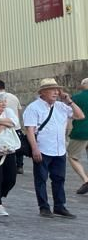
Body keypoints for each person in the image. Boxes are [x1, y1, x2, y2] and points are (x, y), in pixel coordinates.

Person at [23, 78, 85, 218]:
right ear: (43, 92)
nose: (56, 92)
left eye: (57, 90)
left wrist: (68, 101)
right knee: (41, 179)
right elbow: (30, 130)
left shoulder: (61, 106)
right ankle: (44, 207)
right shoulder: (33, 108)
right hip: (42, 149)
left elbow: (80, 116)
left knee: (59, 179)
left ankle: (59, 206)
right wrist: (35, 148)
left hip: (59, 149)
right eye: (52, 90)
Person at [68, 77, 88, 196]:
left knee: (72, 156)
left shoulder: (75, 98)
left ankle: (86, 180)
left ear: (84, 84)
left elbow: (69, 115)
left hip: (81, 131)